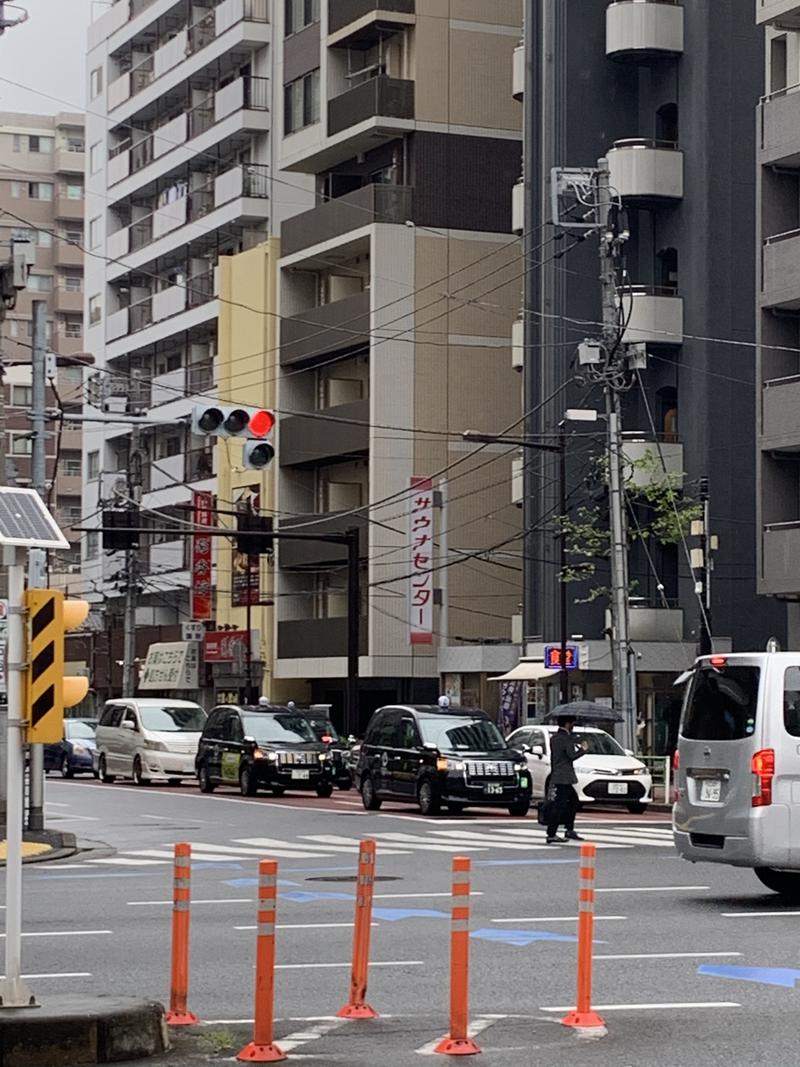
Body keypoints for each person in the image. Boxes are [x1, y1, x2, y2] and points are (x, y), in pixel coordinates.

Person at [545, 716, 588, 845]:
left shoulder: (555, 738)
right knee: (561, 805)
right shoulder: (566, 738)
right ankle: (552, 833)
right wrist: (583, 749)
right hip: (564, 777)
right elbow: (571, 755)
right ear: (568, 723)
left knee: (572, 801)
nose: (573, 726)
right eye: (573, 723)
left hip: (557, 774)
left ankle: (568, 829)